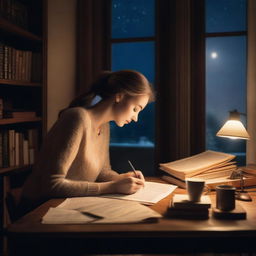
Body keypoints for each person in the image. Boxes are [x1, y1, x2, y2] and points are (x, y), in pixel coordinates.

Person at [19, 70, 155, 214]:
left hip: (69, 207)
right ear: (120, 95)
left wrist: (124, 178)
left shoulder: (104, 126)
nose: (136, 118)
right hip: (40, 210)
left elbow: (102, 174)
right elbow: (52, 185)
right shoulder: (77, 118)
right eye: (135, 109)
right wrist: (113, 187)